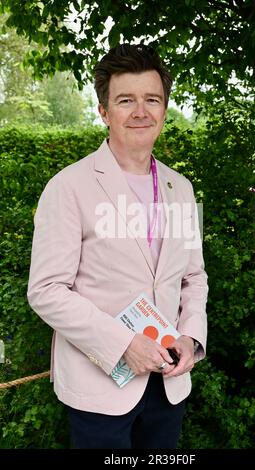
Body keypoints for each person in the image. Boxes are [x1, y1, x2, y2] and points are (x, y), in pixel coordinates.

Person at [27, 43, 208, 449]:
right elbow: (46, 290)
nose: (141, 112)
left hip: (169, 383)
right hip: (99, 389)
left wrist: (191, 339)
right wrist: (123, 344)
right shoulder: (68, 186)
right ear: (104, 112)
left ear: (164, 109)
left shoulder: (181, 188)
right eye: (126, 100)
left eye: (152, 100)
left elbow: (193, 278)